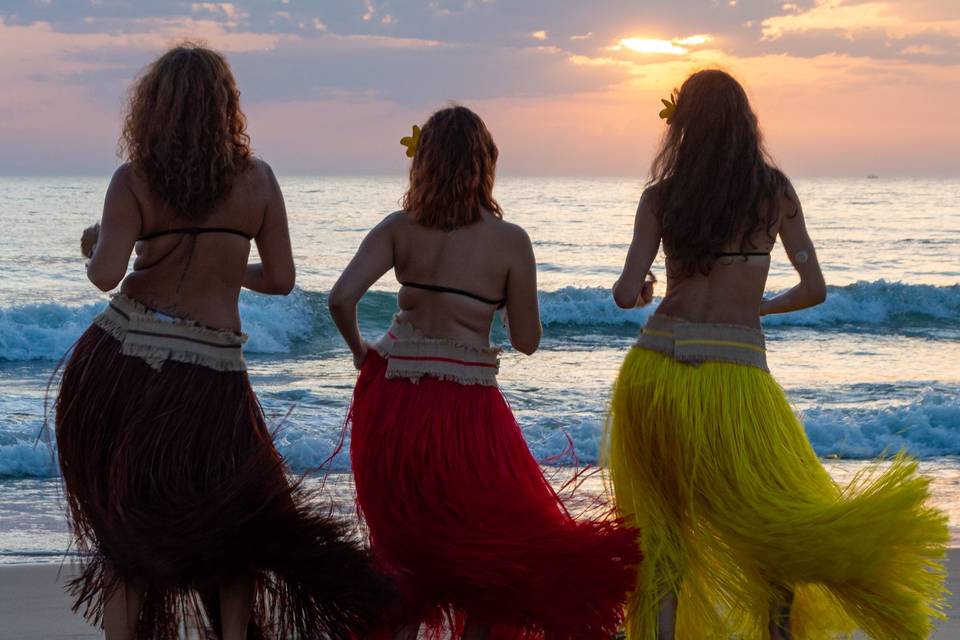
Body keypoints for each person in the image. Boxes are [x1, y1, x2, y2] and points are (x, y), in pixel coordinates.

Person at [55, 44, 390, 640]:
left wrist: (99, 241)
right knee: (241, 528)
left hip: (123, 358)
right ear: (226, 108)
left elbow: (106, 275)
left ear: (152, 110)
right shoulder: (257, 181)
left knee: (130, 537)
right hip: (210, 371)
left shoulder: (134, 180)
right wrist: (222, 258)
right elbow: (281, 280)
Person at [605, 68, 948, 640]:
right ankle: (778, 633)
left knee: (661, 531)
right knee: (772, 515)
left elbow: (624, 294)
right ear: (745, 123)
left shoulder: (661, 197)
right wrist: (757, 308)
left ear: (682, 125)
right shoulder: (775, 194)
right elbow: (814, 288)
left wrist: (643, 292)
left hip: (656, 370)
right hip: (736, 374)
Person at [330, 105, 639, 639]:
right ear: (484, 166)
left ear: (422, 162)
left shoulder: (399, 228)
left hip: (392, 395)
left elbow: (340, 298)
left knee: (405, 556)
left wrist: (362, 352)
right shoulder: (509, 240)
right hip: (462, 405)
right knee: (495, 557)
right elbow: (526, 341)